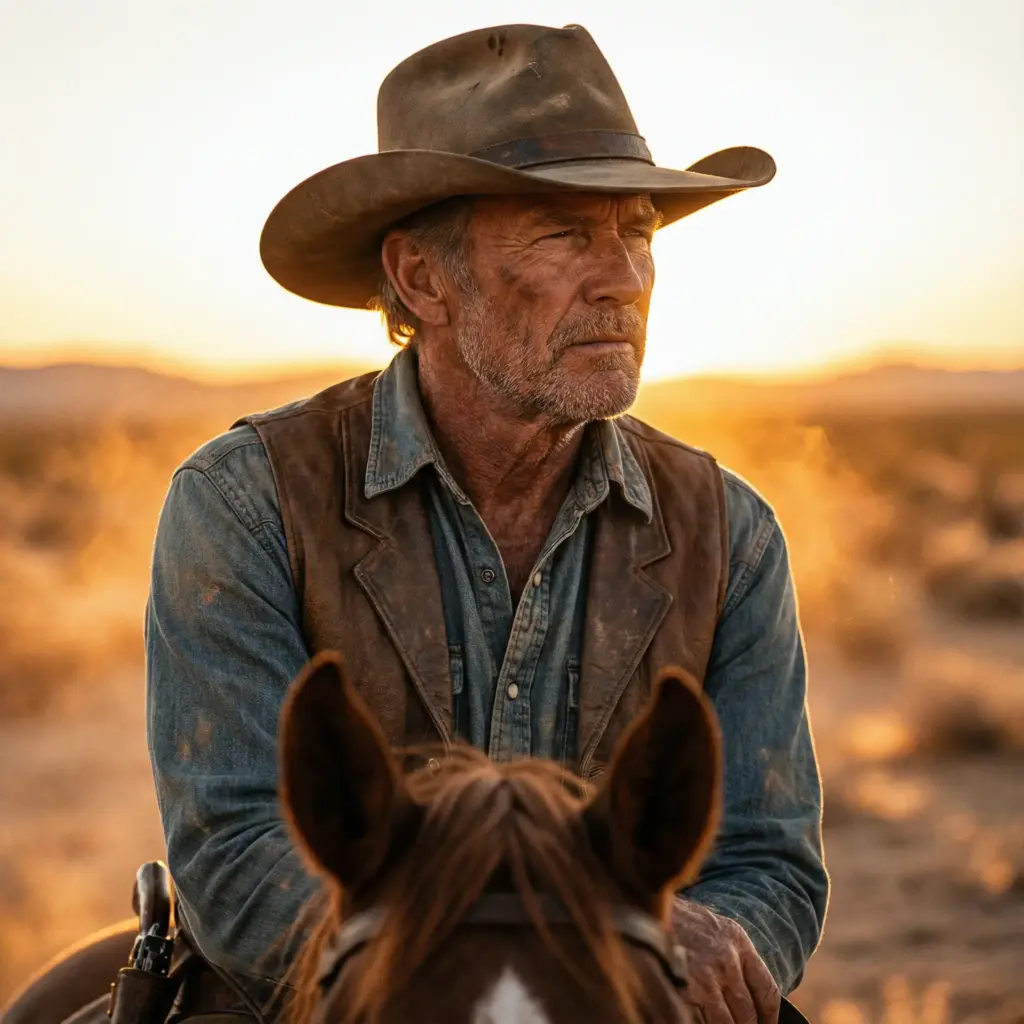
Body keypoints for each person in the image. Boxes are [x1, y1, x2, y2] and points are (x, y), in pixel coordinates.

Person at [146, 23, 828, 1024]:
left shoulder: (729, 533)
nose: (624, 279)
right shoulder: (246, 501)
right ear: (423, 280)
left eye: (635, 231)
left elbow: (768, 859)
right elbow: (237, 849)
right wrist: (477, 956)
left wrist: (694, 944)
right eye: (563, 232)